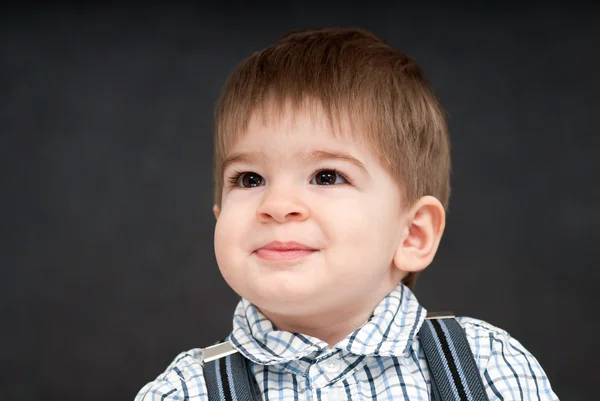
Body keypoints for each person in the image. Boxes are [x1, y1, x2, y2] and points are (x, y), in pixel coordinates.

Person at [134, 28, 558, 400]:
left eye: (327, 176)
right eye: (249, 179)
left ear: (412, 235)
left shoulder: (486, 366)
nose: (277, 205)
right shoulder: (183, 391)